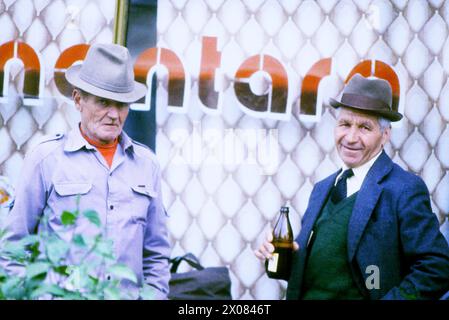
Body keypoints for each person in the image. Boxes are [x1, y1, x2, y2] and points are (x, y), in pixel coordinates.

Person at [255, 74, 449, 300]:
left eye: (365, 127)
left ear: (385, 135)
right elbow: (318, 270)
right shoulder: (322, 188)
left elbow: (437, 268)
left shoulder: (404, 188)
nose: (351, 137)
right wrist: (279, 256)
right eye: (345, 124)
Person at [1, 43, 171, 299]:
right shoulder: (46, 158)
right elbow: (14, 248)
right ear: (78, 100)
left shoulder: (147, 165)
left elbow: (156, 255)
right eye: (104, 102)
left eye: (122, 104)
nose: (114, 114)